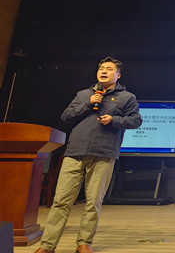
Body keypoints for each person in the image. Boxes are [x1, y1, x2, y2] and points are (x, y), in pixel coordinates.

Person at [35, 57, 142, 253]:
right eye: (101, 68)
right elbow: (66, 116)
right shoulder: (84, 94)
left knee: (93, 202)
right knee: (61, 201)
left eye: (109, 69)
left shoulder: (127, 97)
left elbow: (136, 120)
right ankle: (47, 245)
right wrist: (88, 104)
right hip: (75, 152)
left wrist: (114, 120)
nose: (104, 71)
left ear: (118, 75)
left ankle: (84, 243)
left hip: (104, 153)